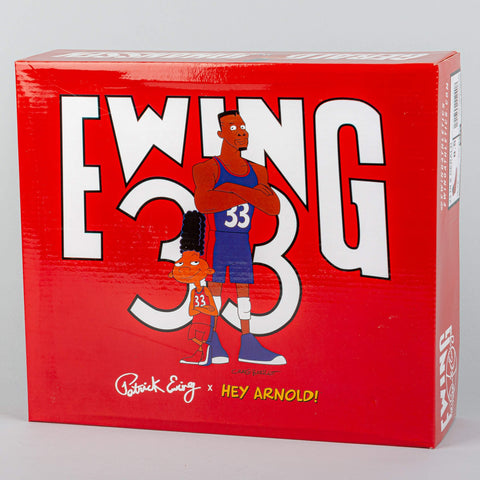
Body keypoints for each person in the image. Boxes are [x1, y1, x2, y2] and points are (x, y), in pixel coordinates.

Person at [193, 110, 286, 365]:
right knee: (215, 287)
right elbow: (204, 203)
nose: (241, 132)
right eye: (233, 128)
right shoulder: (207, 168)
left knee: (243, 290)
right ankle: (211, 340)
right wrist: (251, 194)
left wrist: (231, 188)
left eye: (243, 127)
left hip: (242, 239)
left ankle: (247, 343)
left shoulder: (258, 170)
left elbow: (273, 207)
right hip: (218, 238)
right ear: (221, 133)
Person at [169, 211, 218, 366]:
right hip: (197, 319)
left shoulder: (205, 290)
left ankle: (206, 351)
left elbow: (213, 310)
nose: (185, 269)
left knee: (203, 336)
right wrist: (199, 310)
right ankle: (202, 351)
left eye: (194, 263)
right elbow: (191, 310)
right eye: (180, 264)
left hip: (204, 319)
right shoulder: (193, 291)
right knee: (194, 336)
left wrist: (201, 309)